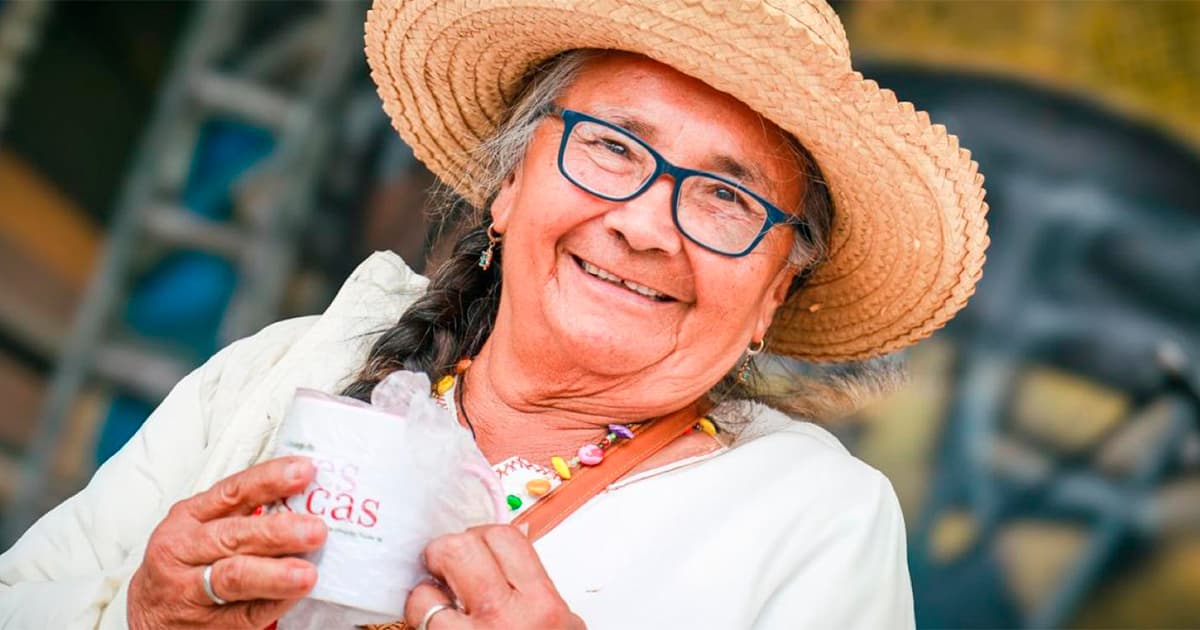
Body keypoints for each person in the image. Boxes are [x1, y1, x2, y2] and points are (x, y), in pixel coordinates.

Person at [0, 0, 988, 628]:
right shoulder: (283, 369)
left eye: (726, 198)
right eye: (610, 146)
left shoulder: (813, 519)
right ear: (510, 188)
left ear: (774, 293)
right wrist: (139, 617)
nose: (647, 226)